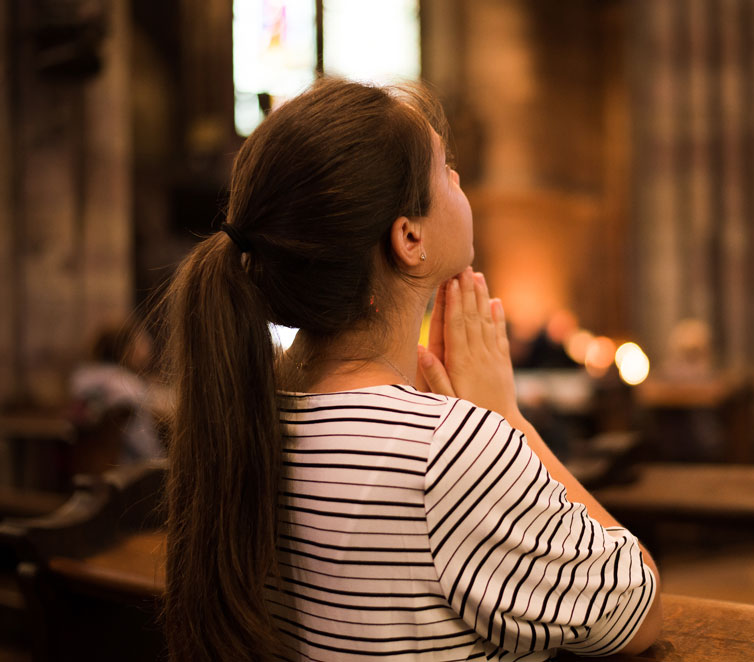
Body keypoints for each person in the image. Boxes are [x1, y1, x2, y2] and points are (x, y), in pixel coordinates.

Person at [162, 78, 661, 662]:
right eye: (445, 168)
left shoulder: (251, 410)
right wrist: (508, 420)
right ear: (409, 237)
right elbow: (639, 607)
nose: (457, 178)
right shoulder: (446, 451)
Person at [69, 318, 169, 463]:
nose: (148, 347)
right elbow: (145, 449)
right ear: (126, 348)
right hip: (126, 474)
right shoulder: (126, 386)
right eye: (141, 341)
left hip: (87, 467)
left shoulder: (83, 381)